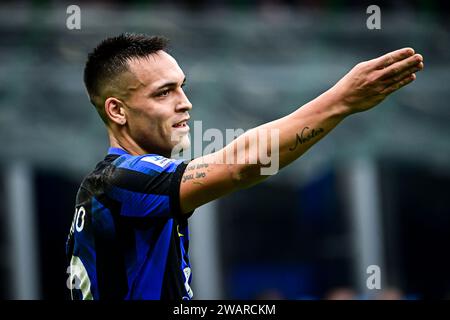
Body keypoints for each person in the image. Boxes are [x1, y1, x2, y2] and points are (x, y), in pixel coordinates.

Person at [66, 33, 424, 300]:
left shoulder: (119, 189)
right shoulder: (122, 181)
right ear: (117, 110)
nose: (185, 103)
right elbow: (243, 165)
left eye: (182, 88)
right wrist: (341, 101)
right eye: (164, 92)